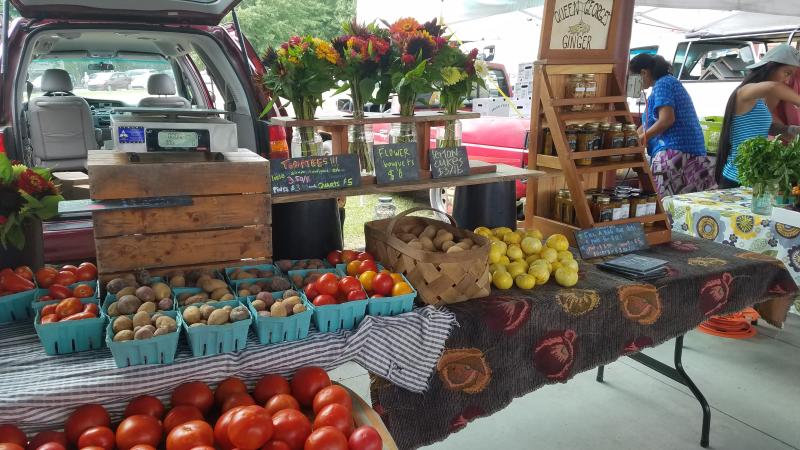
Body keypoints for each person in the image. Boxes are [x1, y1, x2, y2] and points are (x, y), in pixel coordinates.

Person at [629, 53, 715, 197]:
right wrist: (630, 139)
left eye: (632, 77)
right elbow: (647, 124)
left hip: (676, 155)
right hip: (690, 154)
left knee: (663, 207)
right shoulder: (667, 84)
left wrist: (642, 139)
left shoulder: (663, 84)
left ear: (643, 72)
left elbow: (667, 119)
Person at [717, 44, 800, 188]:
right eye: (787, 73)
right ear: (771, 67)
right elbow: (774, 87)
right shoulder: (744, 92)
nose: (787, 80)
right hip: (737, 178)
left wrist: (792, 131)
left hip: (754, 178)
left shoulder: (761, 100)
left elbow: (769, 128)